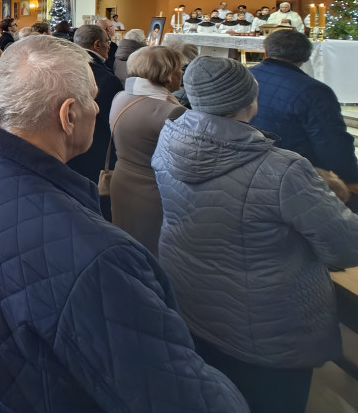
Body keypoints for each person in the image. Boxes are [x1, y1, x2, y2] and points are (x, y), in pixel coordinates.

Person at [0, 36, 248, 412]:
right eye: (91, 98)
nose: (96, 108)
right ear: (68, 115)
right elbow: (185, 399)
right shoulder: (99, 260)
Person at [153, 56, 358, 413]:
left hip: (195, 305)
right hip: (266, 328)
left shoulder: (169, 138)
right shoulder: (281, 169)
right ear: (250, 101)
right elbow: (345, 247)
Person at [249, 29, 358, 185]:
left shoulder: (243, 75)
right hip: (294, 172)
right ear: (306, 57)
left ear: (265, 51)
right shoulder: (314, 90)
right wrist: (351, 179)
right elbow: (331, 141)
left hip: (246, 161)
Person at [108, 46, 186, 255]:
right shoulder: (171, 111)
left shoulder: (121, 97)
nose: (182, 73)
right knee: (151, 249)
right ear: (167, 73)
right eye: (179, 68)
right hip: (152, 190)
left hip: (122, 180)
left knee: (128, 242)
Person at [67, 25, 123, 207]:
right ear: (97, 44)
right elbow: (112, 121)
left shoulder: (68, 68)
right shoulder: (106, 78)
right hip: (94, 149)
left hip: (68, 148)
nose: (110, 46)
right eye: (108, 42)